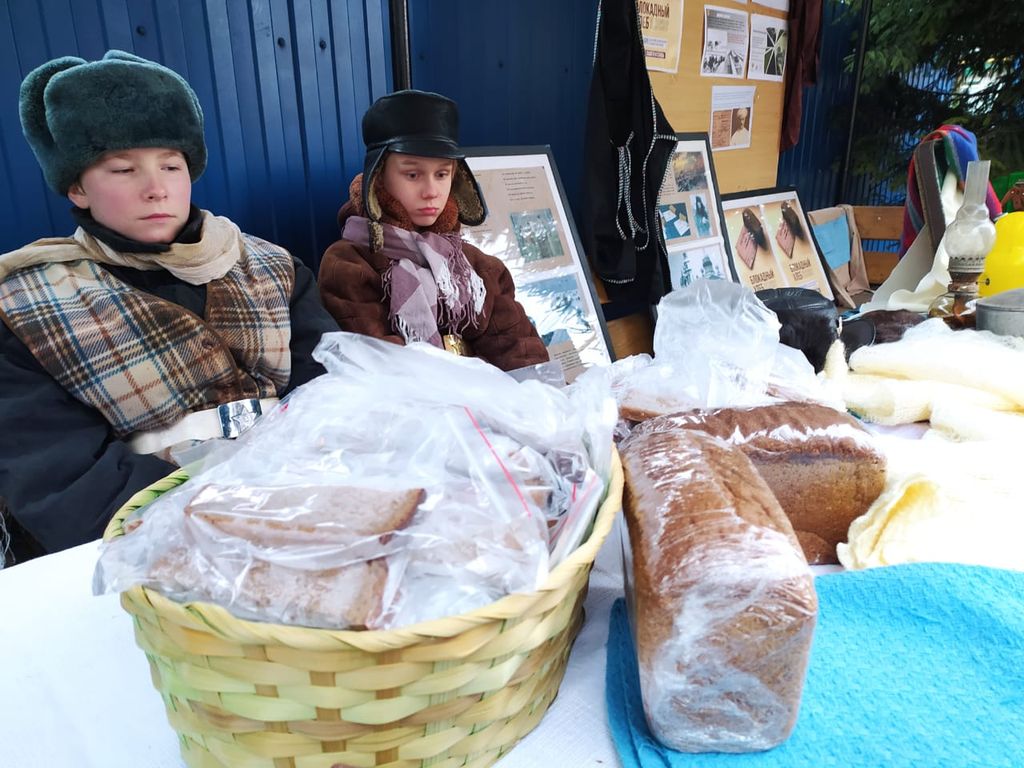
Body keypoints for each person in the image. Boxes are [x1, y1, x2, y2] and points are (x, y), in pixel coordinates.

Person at [0, 51, 339, 564]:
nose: (156, 188)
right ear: (76, 187)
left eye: (171, 165)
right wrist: (200, 529)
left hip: (304, 504)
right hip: (154, 540)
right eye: (122, 168)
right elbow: (58, 472)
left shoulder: (273, 268)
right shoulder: (27, 308)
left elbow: (329, 391)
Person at [318, 90, 549, 371]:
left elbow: (522, 356)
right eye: (412, 174)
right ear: (378, 177)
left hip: (486, 398)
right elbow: (380, 367)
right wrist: (476, 368)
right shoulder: (349, 264)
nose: (431, 192)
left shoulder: (475, 266)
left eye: (442, 174)